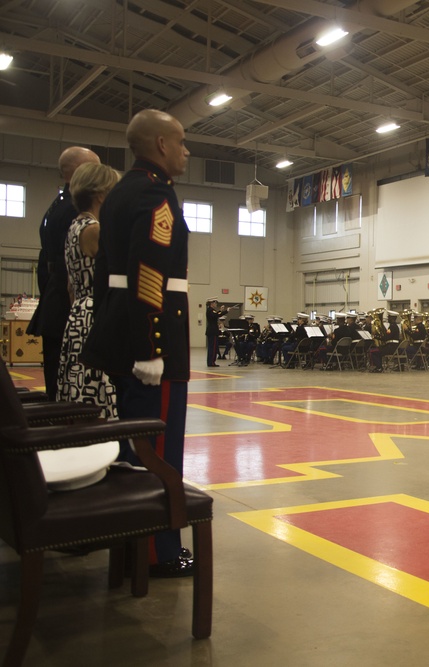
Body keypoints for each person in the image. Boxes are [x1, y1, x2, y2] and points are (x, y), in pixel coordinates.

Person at [82, 109, 193, 577]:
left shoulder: (121, 192)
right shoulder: (154, 194)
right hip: (151, 340)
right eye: (182, 142)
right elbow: (149, 271)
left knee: (133, 445)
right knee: (157, 449)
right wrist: (152, 348)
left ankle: (133, 542)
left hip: (120, 331)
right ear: (162, 145)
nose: (187, 151)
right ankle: (156, 552)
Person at [28, 146, 101, 400]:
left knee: (58, 381)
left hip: (55, 301)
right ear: (81, 171)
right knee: (70, 389)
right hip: (68, 306)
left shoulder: (56, 205)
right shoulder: (77, 212)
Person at [56, 162, 120, 418]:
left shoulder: (74, 227)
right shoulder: (95, 230)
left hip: (78, 314)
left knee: (78, 385)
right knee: (99, 388)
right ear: (102, 194)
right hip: (96, 316)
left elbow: (71, 285)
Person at [205, 297, 227, 366]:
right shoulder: (210, 310)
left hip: (211, 331)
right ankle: (211, 362)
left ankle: (211, 362)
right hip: (213, 331)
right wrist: (226, 311)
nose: (216, 304)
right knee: (213, 347)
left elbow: (217, 314)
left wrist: (221, 310)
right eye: (215, 303)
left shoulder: (211, 310)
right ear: (212, 303)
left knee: (212, 347)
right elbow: (217, 315)